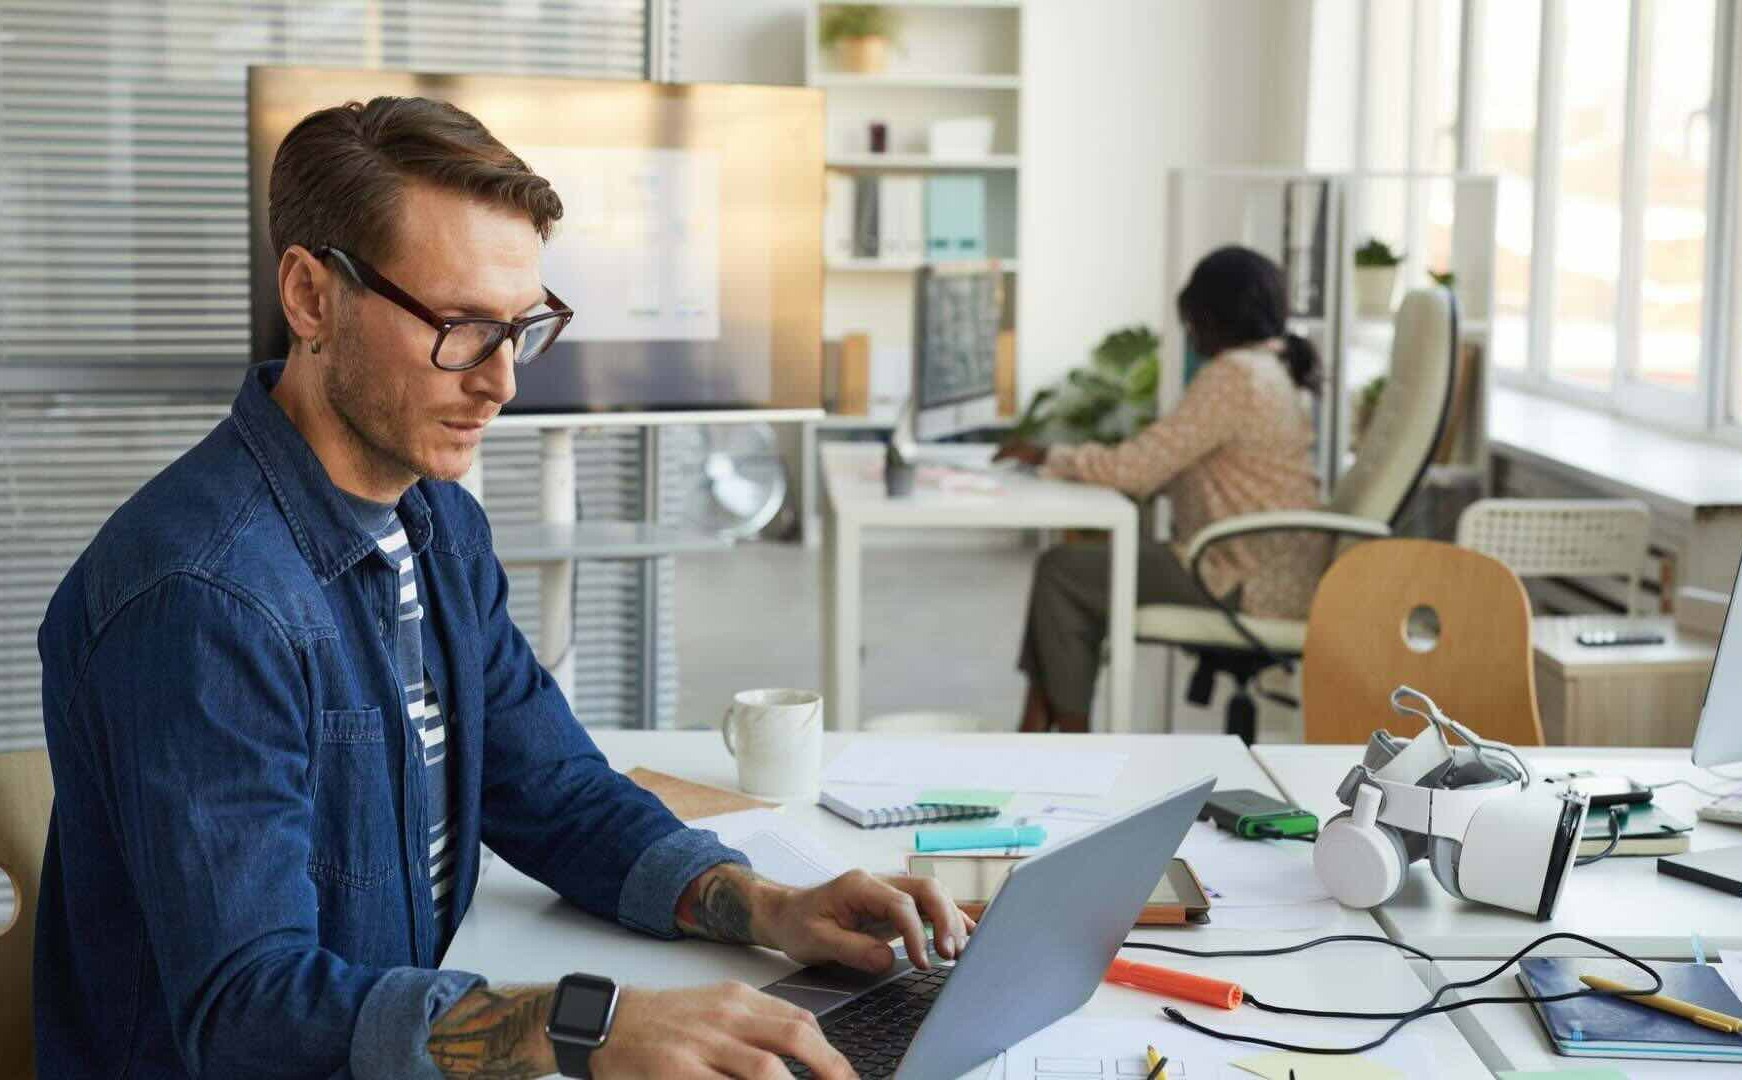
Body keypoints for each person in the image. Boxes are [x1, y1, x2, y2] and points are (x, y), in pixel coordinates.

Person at [34, 97, 969, 1080]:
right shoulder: (205, 600)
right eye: (462, 328)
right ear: (311, 298)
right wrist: (584, 1029)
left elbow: (549, 787)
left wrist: (767, 903)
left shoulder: (435, 523)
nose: (505, 382)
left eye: (522, 327)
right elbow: (244, 1011)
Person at [996, 246, 1329, 733]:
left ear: (1213, 316)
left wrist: (1050, 455)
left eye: (1193, 322)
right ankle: (1038, 727)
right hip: (1263, 565)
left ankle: (1063, 740)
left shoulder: (1234, 376)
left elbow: (1137, 468)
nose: (1192, 336)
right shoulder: (1266, 370)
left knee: (1063, 573)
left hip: (1238, 575)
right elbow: (1163, 459)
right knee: (1079, 573)